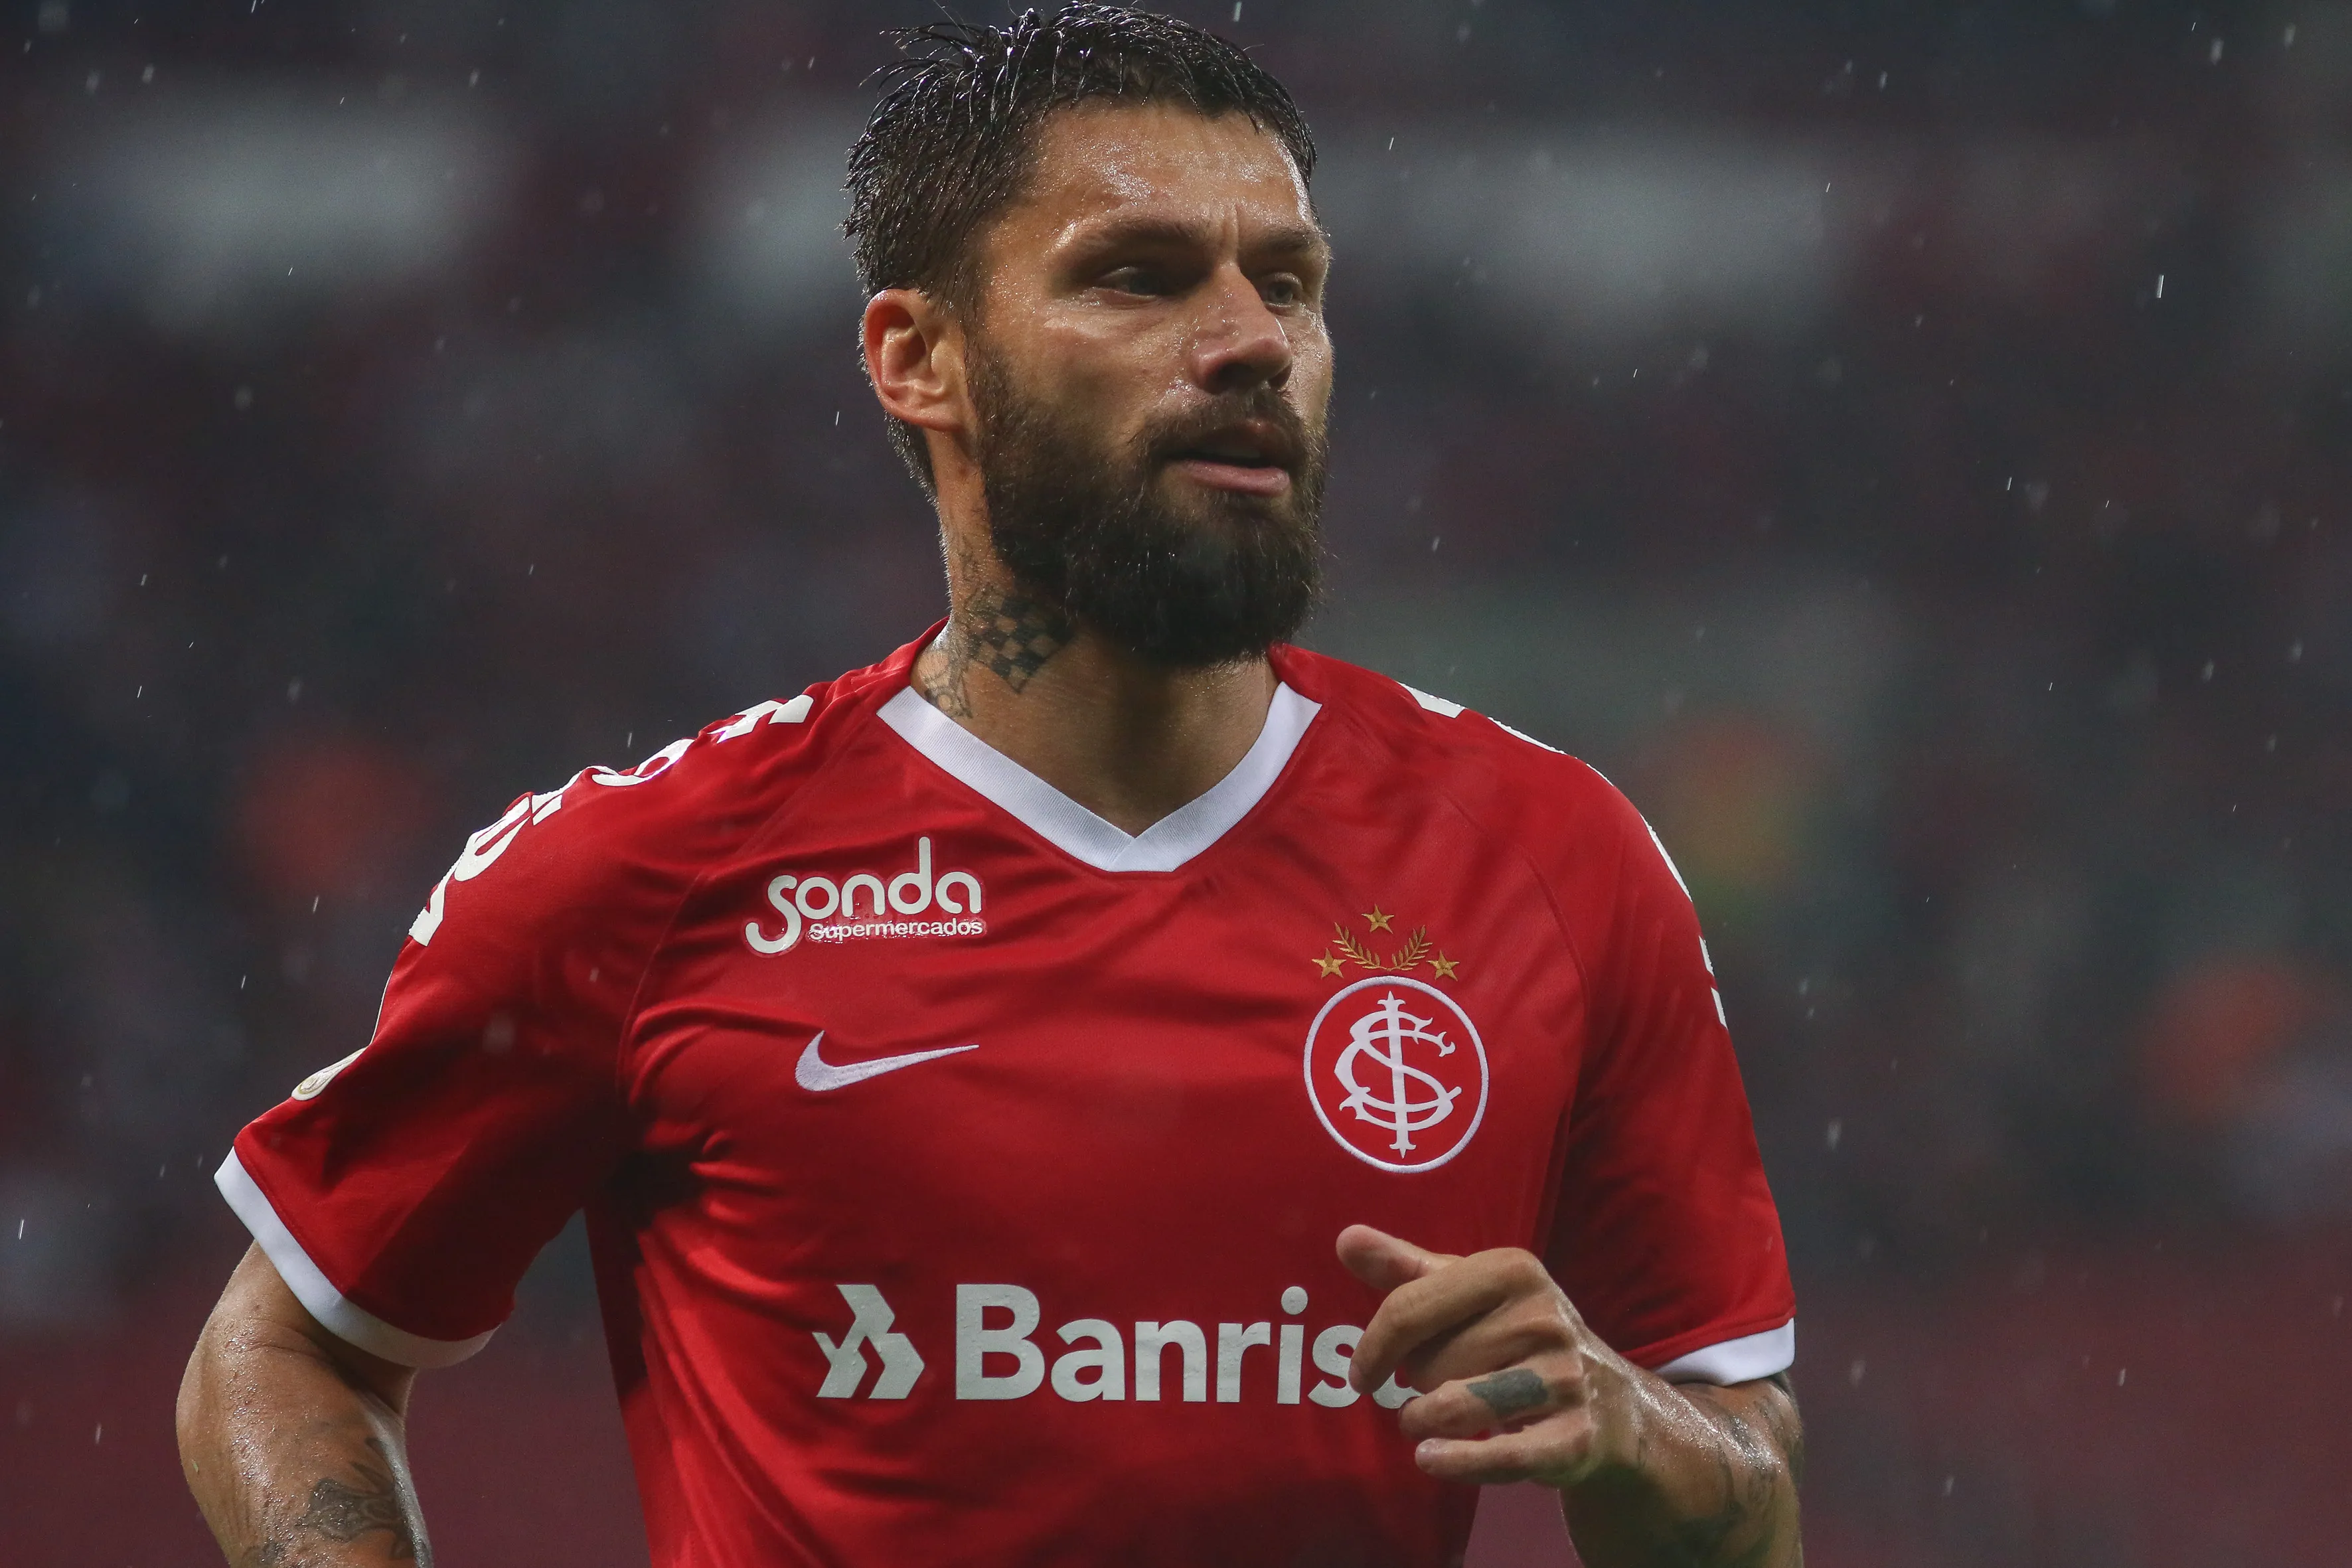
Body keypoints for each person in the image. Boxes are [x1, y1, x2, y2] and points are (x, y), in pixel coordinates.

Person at [175, 8, 1802, 1565]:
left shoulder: (1552, 858)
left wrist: (1634, 1428)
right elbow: (284, 1346)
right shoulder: (650, 870)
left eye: (1288, 285)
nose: (1250, 342)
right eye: (1141, 277)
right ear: (919, 356)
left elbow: (1748, 1488)